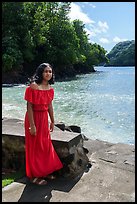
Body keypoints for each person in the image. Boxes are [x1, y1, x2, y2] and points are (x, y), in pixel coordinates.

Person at [24, 63, 63, 185]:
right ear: (41, 72)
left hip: (44, 118)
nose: (48, 74)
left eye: (50, 71)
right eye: (46, 71)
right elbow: (29, 106)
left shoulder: (50, 89)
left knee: (44, 145)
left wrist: (52, 121)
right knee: (34, 147)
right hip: (33, 118)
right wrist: (32, 125)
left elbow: (50, 105)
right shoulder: (34, 86)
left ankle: (43, 172)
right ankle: (33, 176)